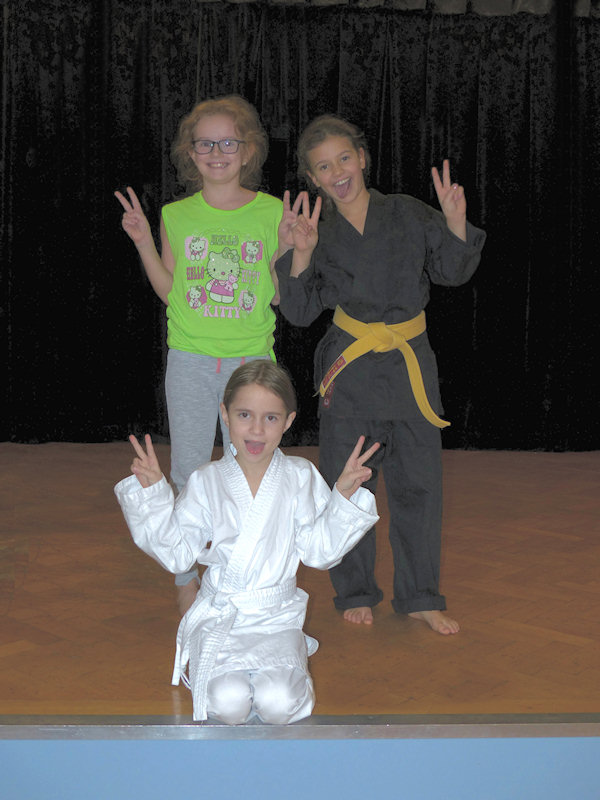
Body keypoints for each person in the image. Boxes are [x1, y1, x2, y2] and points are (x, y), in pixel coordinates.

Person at [275, 114, 486, 634]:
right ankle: (355, 590)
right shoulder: (318, 232)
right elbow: (299, 312)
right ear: (313, 178)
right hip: (350, 374)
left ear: (363, 157)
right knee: (347, 487)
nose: (338, 172)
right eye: (324, 167)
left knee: (420, 488)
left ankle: (420, 596)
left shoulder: (408, 213)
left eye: (344, 158)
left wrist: (455, 222)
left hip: (410, 367)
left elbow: (453, 270)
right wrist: (300, 253)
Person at [115, 95, 301, 615]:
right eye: (205, 144)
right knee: (190, 472)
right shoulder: (175, 215)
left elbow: (278, 295)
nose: (217, 152)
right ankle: (185, 576)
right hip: (191, 360)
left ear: (248, 150)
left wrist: (293, 248)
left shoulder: (272, 212)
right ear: (190, 153)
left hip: (252, 365)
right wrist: (142, 241)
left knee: (251, 471)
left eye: (228, 143)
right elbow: (170, 291)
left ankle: (245, 572)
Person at [114, 360, 379, 724]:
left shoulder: (300, 476)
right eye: (244, 415)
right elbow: (178, 556)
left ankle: (287, 669)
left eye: (271, 418)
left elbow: (319, 552)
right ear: (224, 415)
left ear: (288, 421)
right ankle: (209, 663)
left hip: (276, 618)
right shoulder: (206, 480)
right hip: (224, 616)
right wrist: (154, 497)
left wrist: (343, 498)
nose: (256, 429)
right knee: (229, 704)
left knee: (279, 703)